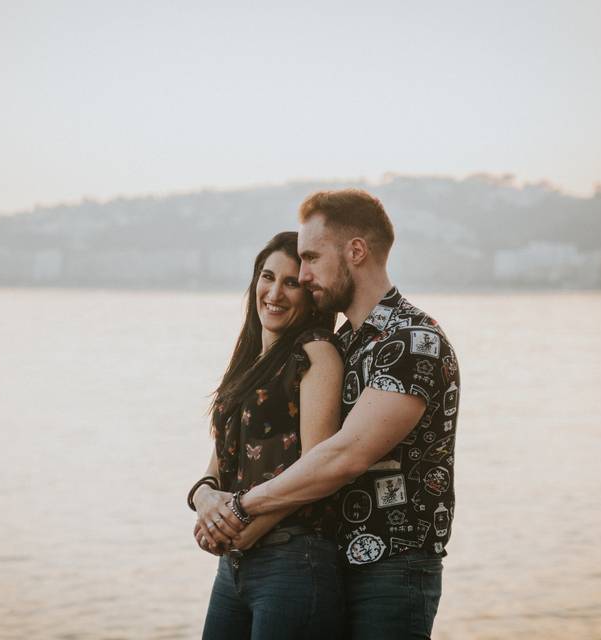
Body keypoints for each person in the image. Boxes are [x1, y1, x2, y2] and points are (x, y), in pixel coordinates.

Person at [211, 189, 460, 640]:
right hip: (328, 561)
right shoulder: (343, 344)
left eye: (310, 258)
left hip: (391, 569)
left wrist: (243, 509)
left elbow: (344, 456)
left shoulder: (411, 341)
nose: (303, 275)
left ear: (356, 251)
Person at [187, 231, 345, 640]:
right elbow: (223, 458)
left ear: (309, 294)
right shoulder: (249, 360)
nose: (274, 292)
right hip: (236, 565)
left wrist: (241, 528)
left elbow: (317, 470)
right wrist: (203, 498)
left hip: (293, 560)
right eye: (267, 276)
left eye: (291, 282)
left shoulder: (315, 351)